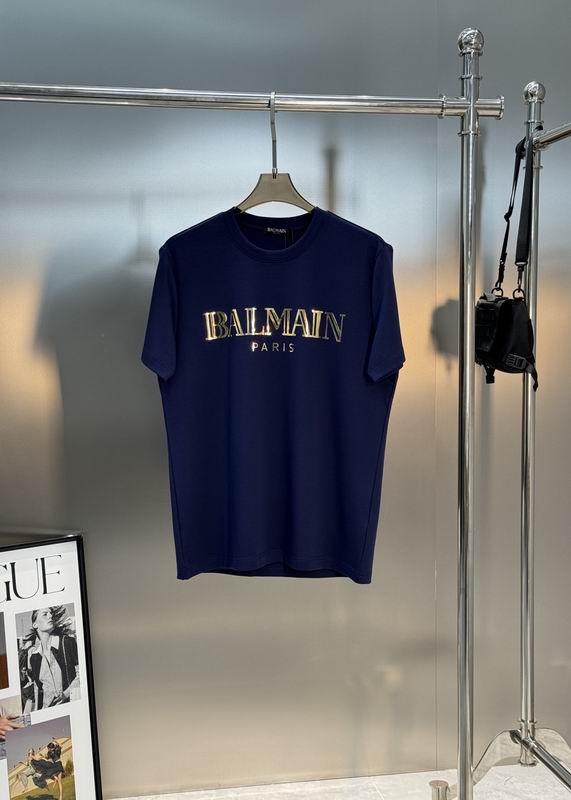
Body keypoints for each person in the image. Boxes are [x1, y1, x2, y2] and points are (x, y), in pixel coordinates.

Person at [22, 606, 80, 711]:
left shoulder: (67, 642)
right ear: (35, 625)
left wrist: (66, 694)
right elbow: (37, 689)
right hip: (47, 709)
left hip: (69, 706)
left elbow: (81, 674)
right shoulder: (34, 657)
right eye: (45, 614)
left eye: (51, 614)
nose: (50, 616)